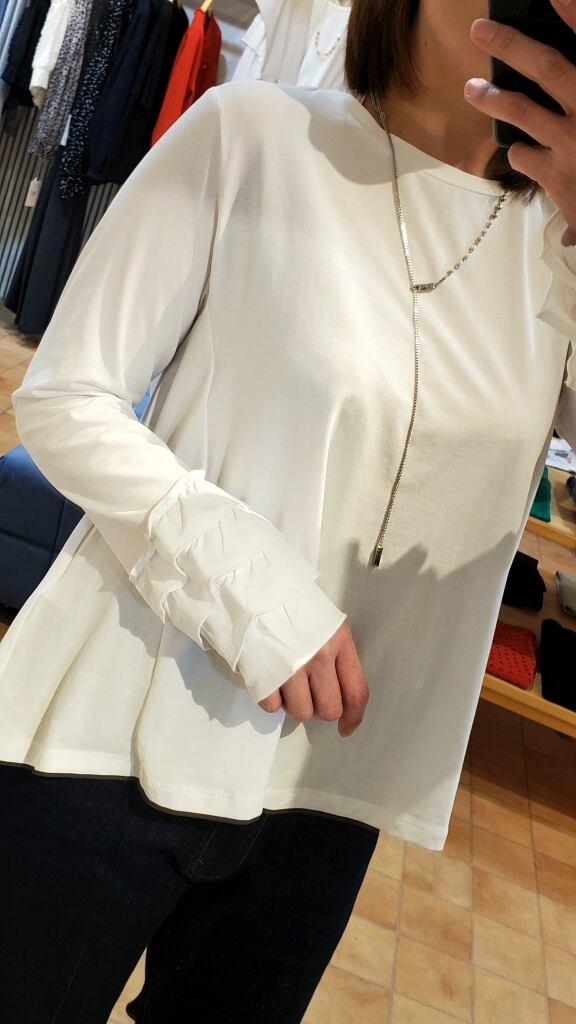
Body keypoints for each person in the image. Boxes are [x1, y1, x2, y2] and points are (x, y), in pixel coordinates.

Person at [0, 0, 575, 1021]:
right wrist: (256, 592)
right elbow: (66, 394)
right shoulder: (254, 134)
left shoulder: (558, 246)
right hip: (119, 726)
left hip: (331, 785)